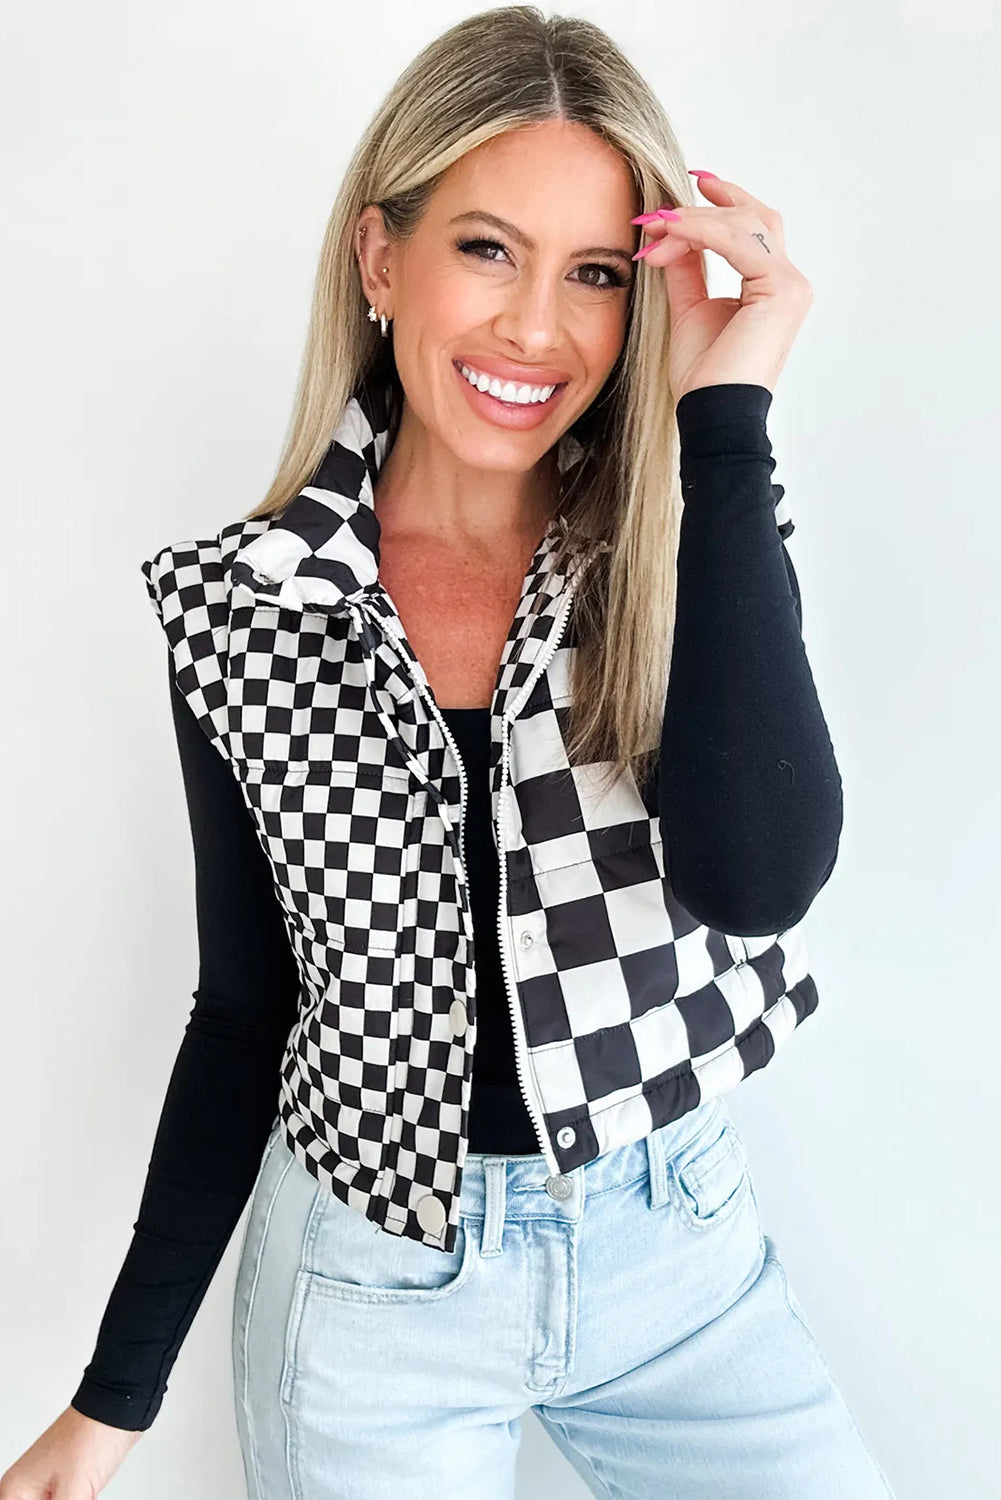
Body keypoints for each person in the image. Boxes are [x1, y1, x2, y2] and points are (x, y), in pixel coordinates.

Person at [1, 8, 896, 1499]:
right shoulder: (241, 608)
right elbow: (244, 1017)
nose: (536, 330)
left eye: (597, 274)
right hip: (369, 1297)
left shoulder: (682, 549)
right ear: (378, 258)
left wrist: (725, 414)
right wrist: (110, 1401)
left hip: (677, 1256)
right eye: (486, 249)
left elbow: (756, 878)